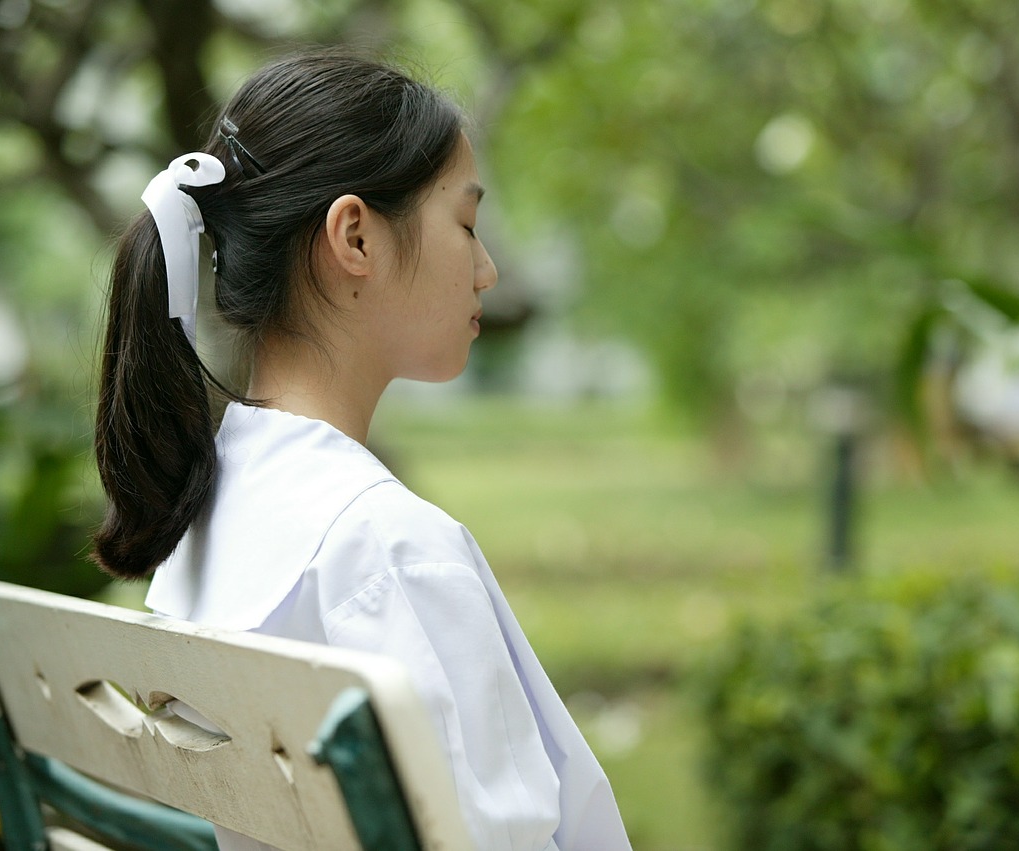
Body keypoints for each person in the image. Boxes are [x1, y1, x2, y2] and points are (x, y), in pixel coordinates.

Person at [92, 51, 632, 851]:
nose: (486, 270)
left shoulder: (209, 517)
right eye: (467, 224)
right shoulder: (386, 551)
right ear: (355, 237)